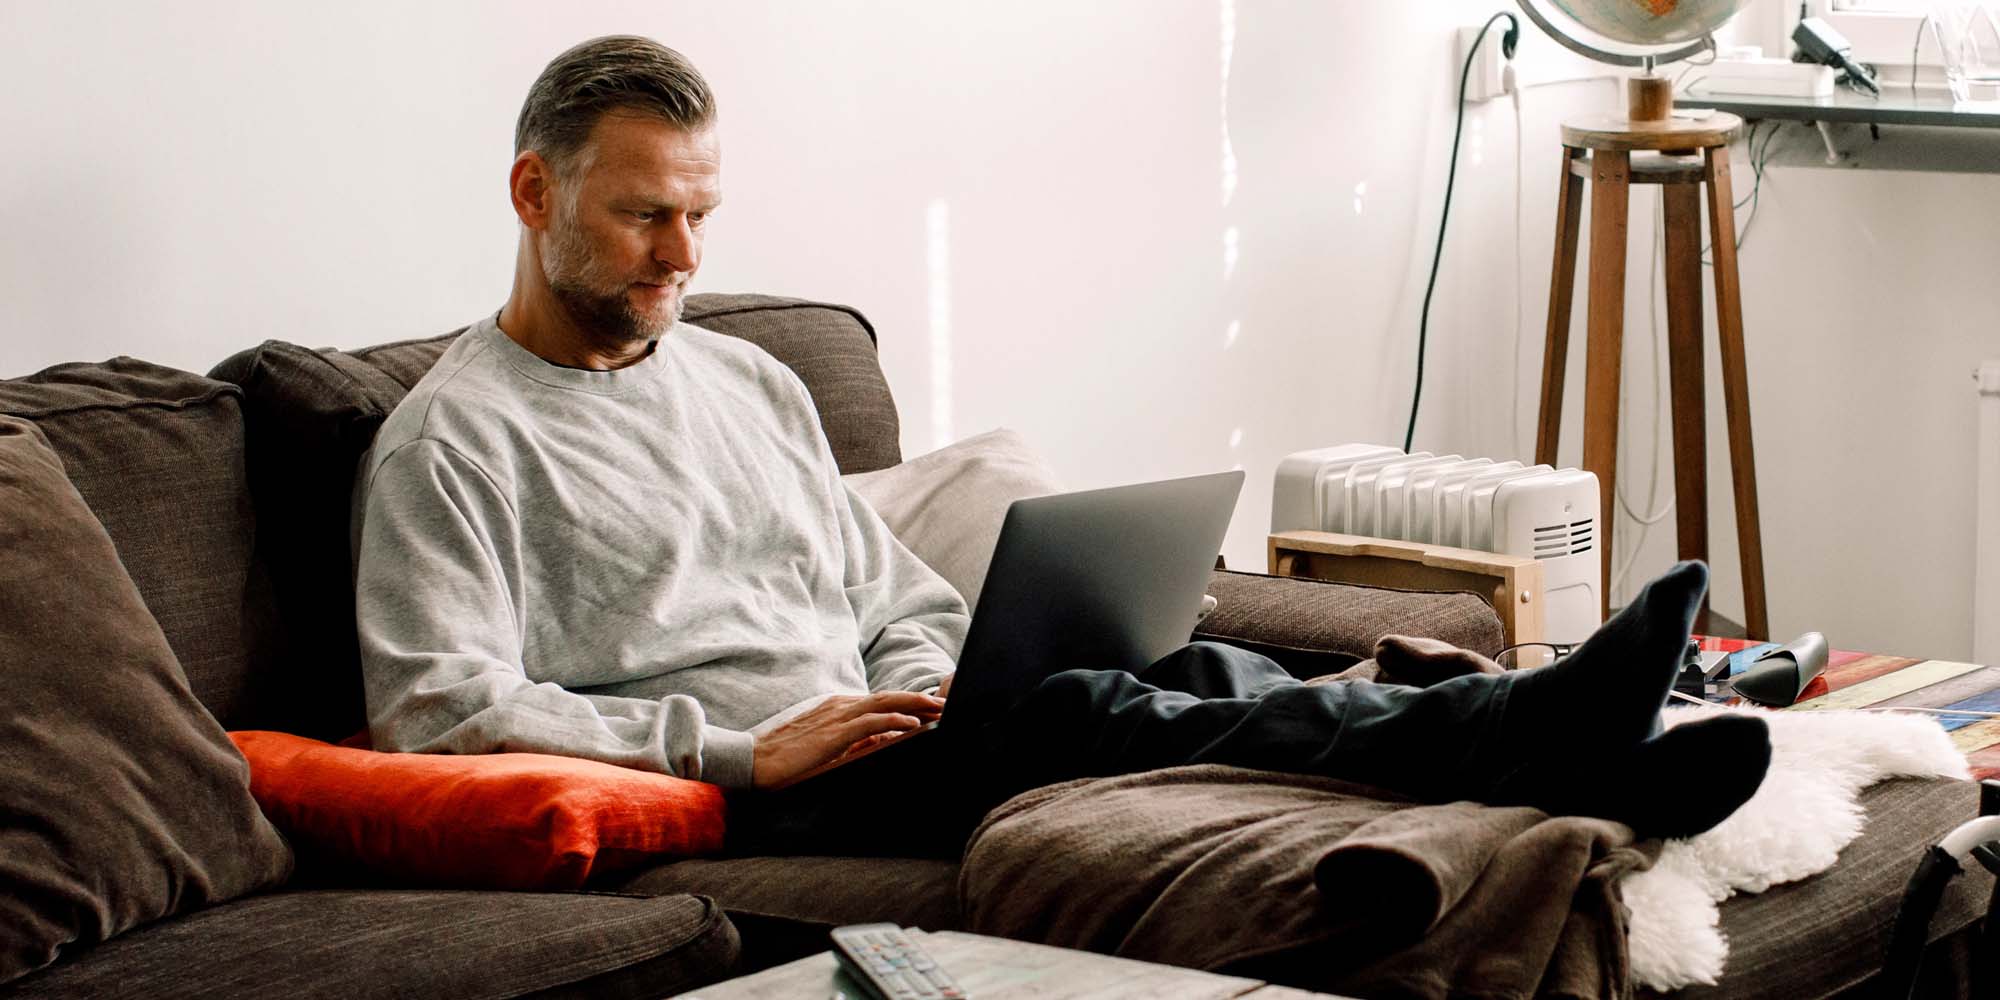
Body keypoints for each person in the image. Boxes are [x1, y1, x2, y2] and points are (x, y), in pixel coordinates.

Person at [352, 35, 1772, 861]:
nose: (684, 253)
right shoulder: (454, 443)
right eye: (643, 216)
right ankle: (1537, 728)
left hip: (880, 746)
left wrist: (920, 689)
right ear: (534, 191)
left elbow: (897, 598)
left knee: (1190, 672)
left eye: (700, 216)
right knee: (1092, 716)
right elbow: (431, 710)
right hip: (748, 800)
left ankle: (1590, 762)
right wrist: (744, 748)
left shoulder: (744, 380)